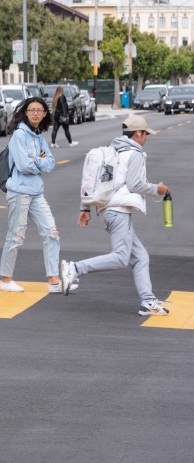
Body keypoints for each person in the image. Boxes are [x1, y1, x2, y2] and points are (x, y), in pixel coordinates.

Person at [60, 115, 171, 316]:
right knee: (121, 257)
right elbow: (136, 184)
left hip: (106, 210)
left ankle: (147, 301)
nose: (146, 138)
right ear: (138, 133)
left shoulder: (112, 151)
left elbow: (92, 182)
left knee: (140, 257)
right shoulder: (134, 153)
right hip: (119, 210)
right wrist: (158, 189)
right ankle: (75, 268)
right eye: (145, 134)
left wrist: (84, 209)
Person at [0, 96, 64, 293]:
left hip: (36, 192)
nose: (36, 113)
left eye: (40, 110)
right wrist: (39, 160)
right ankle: (6, 279)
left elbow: (51, 163)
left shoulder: (39, 136)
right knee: (16, 236)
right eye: (32, 110)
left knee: (51, 233)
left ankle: (53, 279)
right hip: (19, 191)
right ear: (25, 113)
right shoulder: (19, 135)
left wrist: (37, 161)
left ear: (45, 114)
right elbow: (23, 166)